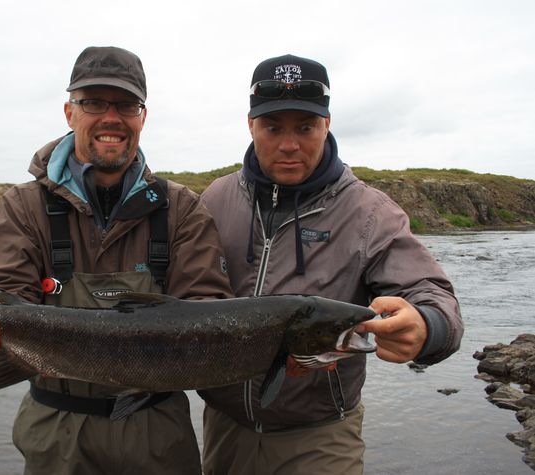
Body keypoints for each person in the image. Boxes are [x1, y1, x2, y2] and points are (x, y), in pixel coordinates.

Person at [0, 46, 233, 475]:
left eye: (126, 104)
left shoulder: (182, 208)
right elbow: (4, 296)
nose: (111, 117)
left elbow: (208, 312)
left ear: (143, 116)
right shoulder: (23, 205)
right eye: (93, 102)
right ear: (70, 112)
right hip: (56, 432)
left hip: (158, 431)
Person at [198, 54, 464, 475]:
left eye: (305, 127)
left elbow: (432, 294)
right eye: (273, 128)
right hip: (223, 429)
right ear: (251, 125)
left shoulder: (370, 212)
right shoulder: (213, 200)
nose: (289, 144)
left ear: (326, 124)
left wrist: (428, 326)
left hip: (320, 438)